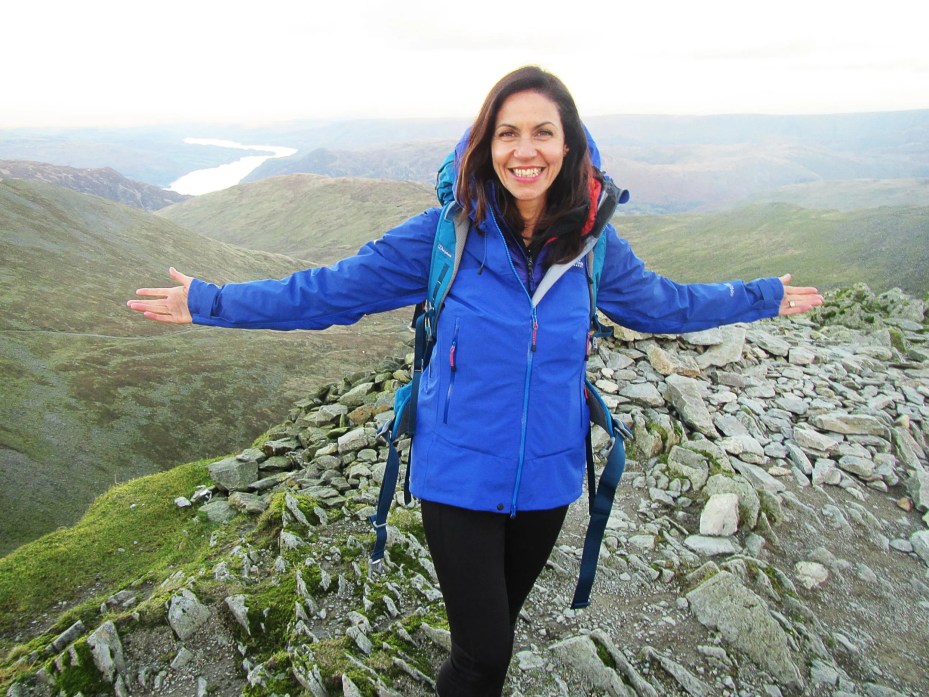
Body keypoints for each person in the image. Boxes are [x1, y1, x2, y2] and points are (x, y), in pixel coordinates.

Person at [128, 65, 823, 696]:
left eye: (543, 132)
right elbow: (325, 293)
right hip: (457, 472)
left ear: (570, 145)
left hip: (549, 477)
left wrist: (759, 296)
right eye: (508, 132)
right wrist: (208, 302)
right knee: (485, 653)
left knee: (490, 642)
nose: (527, 149)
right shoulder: (443, 235)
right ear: (485, 146)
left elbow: (666, 304)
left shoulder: (592, 244)